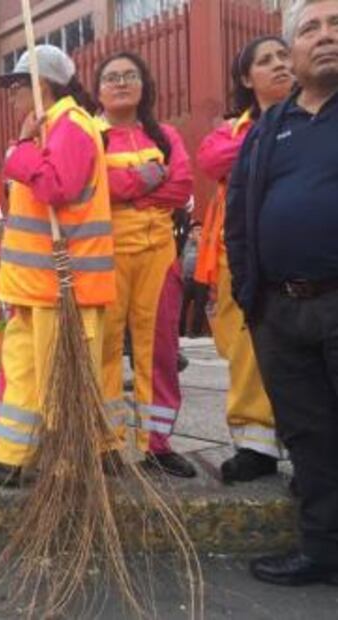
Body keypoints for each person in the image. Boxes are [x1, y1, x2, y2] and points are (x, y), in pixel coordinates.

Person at [0, 45, 116, 484]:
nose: (11, 98)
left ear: (41, 86)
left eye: (17, 88)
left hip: (65, 285)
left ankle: (66, 468)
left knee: (59, 385)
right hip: (33, 286)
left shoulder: (73, 126)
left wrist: (20, 148)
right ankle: (10, 458)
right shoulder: (52, 128)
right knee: (22, 376)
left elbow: (57, 187)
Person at [226, 0, 338, 585]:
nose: (324, 37)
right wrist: (253, 298)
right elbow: (240, 215)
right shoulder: (270, 126)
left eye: (336, 25)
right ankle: (323, 551)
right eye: (311, 28)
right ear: (293, 53)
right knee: (309, 438)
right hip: (281, 309)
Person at [196, 35, 293, 482]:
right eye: (266, 60)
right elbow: (211, 157)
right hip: (243, 257)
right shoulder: (232, 132)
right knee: (248, 350)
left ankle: (311, 446)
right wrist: (279, 134)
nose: (280, 65)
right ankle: (256, 443)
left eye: (284, 56)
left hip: (311, 258)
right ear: (245, 78)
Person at [96, 52, 197, 478]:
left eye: (130, 75)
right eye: (112, 77)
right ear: (98, 90)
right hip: (105, 254)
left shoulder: (166, 134)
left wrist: (127, 194)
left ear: (143, 84)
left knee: (159, 350)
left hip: (158, 255)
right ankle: (107, 443)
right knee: (103, 348)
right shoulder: (90, 135)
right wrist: (143, 180)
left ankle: (157, 443)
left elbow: (183, 186)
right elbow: (91, 188)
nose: (121, 83)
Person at [179, 221, 208, 337]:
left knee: (199, 306)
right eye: (196, 230)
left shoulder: (205, 243)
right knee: (182, 306)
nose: (199, 232)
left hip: (201, 280)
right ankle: (179, 331)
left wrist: (200, 241)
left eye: (201, 229)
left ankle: (195, 331)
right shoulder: (187, 243)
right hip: (187, 279)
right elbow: (182, 257)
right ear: (191, 232)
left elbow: (205, 256)